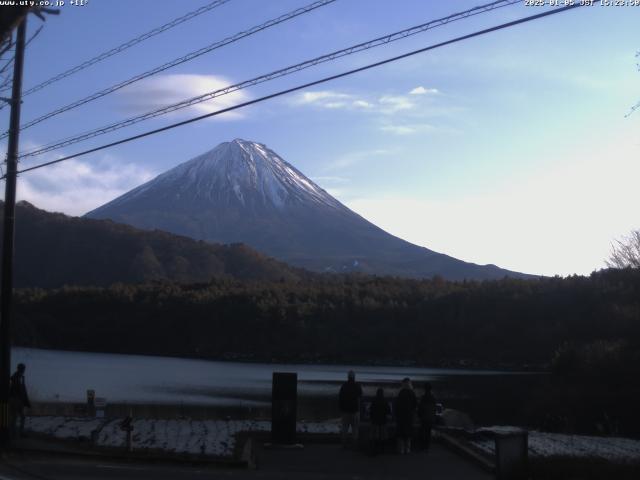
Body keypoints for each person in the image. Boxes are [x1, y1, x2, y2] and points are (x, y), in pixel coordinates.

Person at [339, 370, 363, 447]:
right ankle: (354, 445)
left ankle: (344, 444)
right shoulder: (357, 386)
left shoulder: (344, 386)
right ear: (354, 377)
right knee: (355, 429)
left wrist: (341, 408)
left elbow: (340, 398)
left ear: (348, 377)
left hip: (345, 411)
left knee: (344, 428)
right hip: (355, 411)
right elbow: (360, 398)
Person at [394, 377, 417, 454]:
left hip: (401, 416)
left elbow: (397, 405)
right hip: (409, 416)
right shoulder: (412, 393)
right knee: (408, 433)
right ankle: (407, 449)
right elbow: (415, 405)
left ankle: (401, 449)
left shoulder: (401, 393)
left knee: (401, 433)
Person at [9, 363, 31, 438]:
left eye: (23, 369)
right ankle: (14, 433)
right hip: (15, 400)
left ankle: (17, 432)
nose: (23, 370)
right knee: (15, 417)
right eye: (23, 369)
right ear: (20, 369)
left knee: (20, 416)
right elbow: (17, 389)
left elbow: (23, 390)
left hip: (19, 400)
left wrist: (25, 400)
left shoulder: (20, 377)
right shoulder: (15, 377)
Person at [369, 387, 390, 455]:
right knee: (383, 435)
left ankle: (374, 448)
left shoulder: (374, 400)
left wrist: (371, 417)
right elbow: (388, 411)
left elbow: (371, 410)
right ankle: (382, 448)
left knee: (374, 434)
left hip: (374, 420)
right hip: (383, 420)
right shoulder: (385, 401)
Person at [417, 382, 437, 452]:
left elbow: (420, 408)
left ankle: (422, 446)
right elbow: (434, 409)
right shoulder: (433, 398)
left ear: (424, 389)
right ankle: (427, 446)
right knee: (428, 432)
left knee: (423, 431)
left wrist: (419, 415)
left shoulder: (423, 398)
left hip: (424, 417)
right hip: (430, 417)